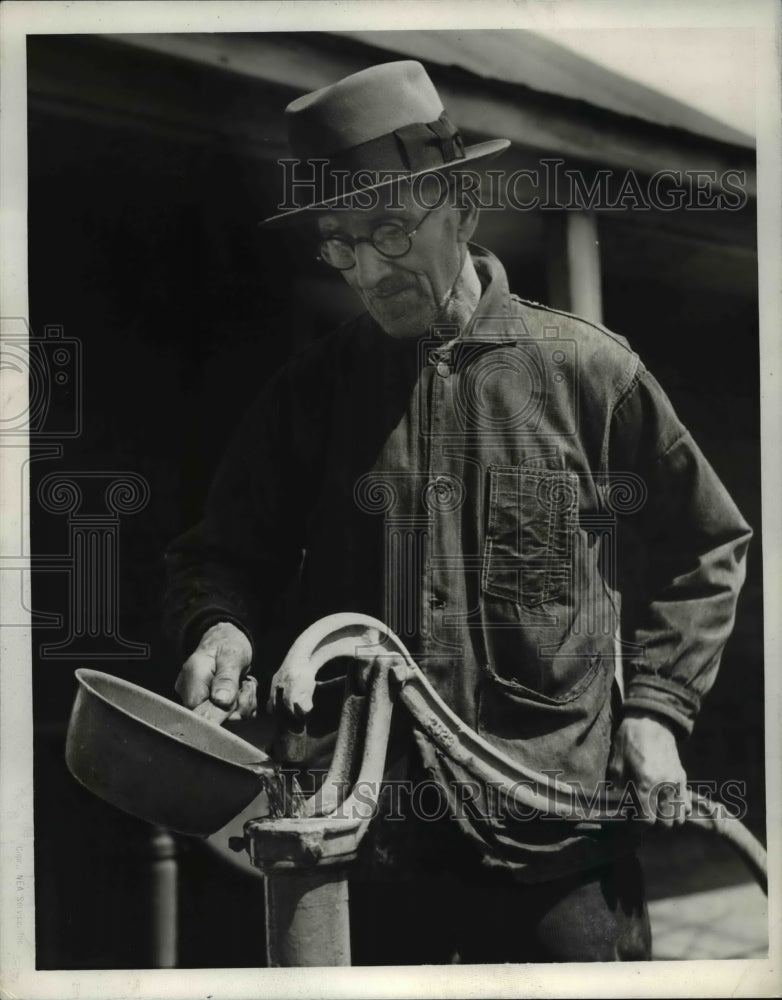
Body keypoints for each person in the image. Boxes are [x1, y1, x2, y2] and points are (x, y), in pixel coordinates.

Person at [164, 61, 752, 963]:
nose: (366, 268)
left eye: (389, 230)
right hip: (378, 843)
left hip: (561, 841)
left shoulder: (590, 373)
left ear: (462, 207)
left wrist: (659, 710)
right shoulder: (312, 396)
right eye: (340, 243)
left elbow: (707, 543)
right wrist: (222, 630)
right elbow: (225, 555)